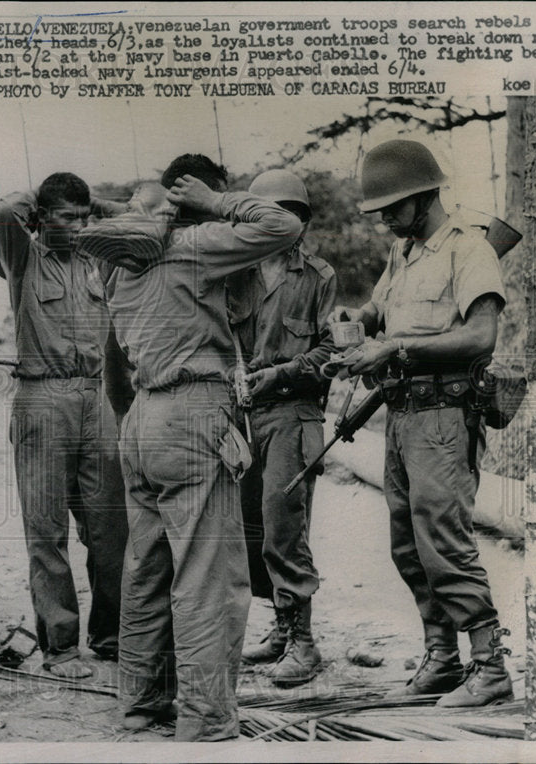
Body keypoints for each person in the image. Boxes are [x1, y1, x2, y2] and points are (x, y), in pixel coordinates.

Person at [80, 155, 304, 740]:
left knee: (145, 570)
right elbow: (283, 226)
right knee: (207, 577)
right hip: (193, 408)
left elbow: (116, 363)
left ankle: (142, 706)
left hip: (142, 415)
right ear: (193, 195)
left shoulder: (124, 263)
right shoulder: (195, 244)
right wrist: (216, 202)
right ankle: (205, 721)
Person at [340, 139, 513, 707]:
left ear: (424, 195)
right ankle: (442, 658)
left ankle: (490, 667)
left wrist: (394, 349)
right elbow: (378, 311)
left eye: (392, 208)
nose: (385, 219)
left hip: (444, 415)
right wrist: (355, 323)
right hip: (402, 413)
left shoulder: (469, 250)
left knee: (445, 542)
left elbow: (480, 336)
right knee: (408, 545)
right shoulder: (404, 253)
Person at [0, 173, 128, 678]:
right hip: (42, 397)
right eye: (65, 217)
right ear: (43, 217)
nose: (77, 226)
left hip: (96, 396)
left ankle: (111, 637)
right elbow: (5, 214)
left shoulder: (98, 259)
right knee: (46, 531)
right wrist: (34, 201)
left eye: (83, 217)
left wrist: (97, 204)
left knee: (112, 528)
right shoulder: (22, 258)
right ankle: (61, 647)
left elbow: (144, 219)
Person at [231, 170, 338, 687]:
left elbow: (330, 350)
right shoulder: (238, 271)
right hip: (245, 416)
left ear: (302, 221)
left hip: (296, 414)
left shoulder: (319, 276)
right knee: (254, 526)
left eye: (290, 214)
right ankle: (279, 627)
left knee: (285, 525)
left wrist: (283, 372)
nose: (279, 224)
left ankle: (304, 642)